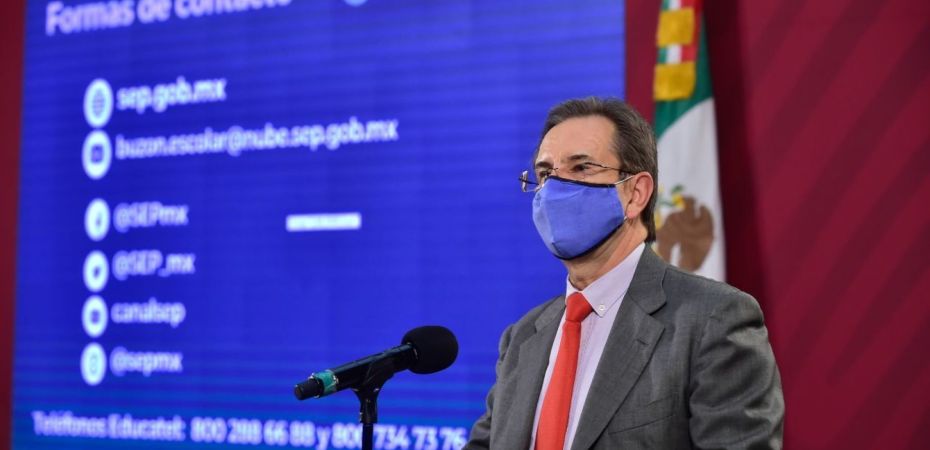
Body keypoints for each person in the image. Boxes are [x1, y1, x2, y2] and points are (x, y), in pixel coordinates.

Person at [465, 97, 784, 449]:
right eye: (544, 174)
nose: (553, 189)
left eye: (581, 167)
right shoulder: (522, 337)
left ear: (635, 193)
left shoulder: (713, 320)